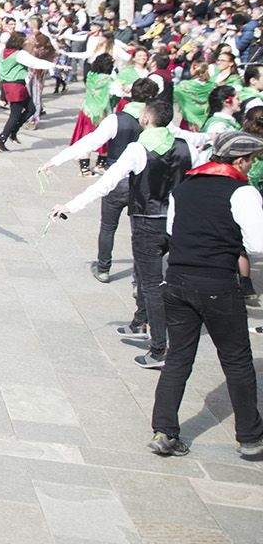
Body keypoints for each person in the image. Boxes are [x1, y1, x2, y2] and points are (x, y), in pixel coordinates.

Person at [51, 99, 208, 370]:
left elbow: (107, 182)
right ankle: (141, 321)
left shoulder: (138, 148)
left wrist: (70, 207)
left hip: (147, 221)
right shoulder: (185, 146)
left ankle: (159, 347)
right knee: (156, 278)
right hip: (176, 221)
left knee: (151, 283)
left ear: (147, 118)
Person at [146, 130, 263, 459]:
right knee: (237, 361)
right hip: (216, 285)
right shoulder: (242, 192)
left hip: (178, 281)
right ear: (239, 161)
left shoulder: (184, 186)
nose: (251, 166)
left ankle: (164, 431)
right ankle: (250, 436)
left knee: (178, 359)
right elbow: (258, 245)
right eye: (250, 160)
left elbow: (171, 231)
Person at [40, 77, 163, 283]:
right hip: (143, 183)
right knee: (138, 232)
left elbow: (89, 142)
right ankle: (137, 279)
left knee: (108, 226)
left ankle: (104, 268)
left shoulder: (117, 119)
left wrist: (55, 161)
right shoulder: (159, 124)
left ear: (131, 94)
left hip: (116, 180)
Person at [0, 32, 62, 152]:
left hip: (10, 85)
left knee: (31, 109)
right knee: (15, 115)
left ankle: (12, 132)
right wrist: (55, 66)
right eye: (25, 42)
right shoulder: (19, 54)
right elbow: (35, 62)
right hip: (16, 86)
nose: (27, 44)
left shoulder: (3, 52)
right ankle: (2, 138)